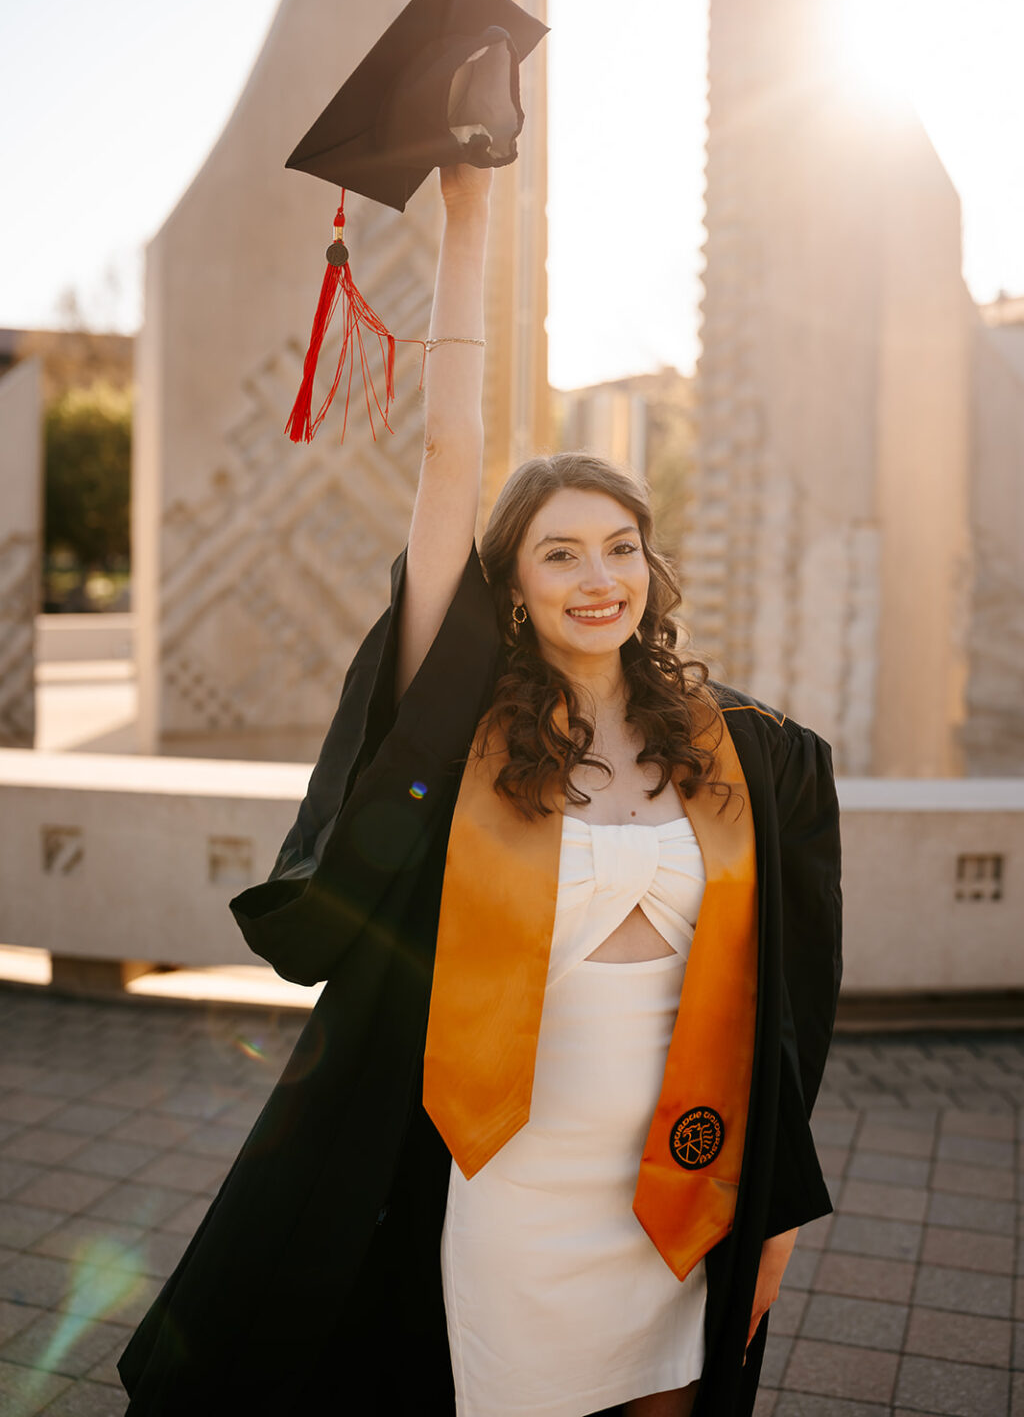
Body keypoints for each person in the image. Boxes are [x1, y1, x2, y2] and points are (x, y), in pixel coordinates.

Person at [119, 164, 842, 1417]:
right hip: (510, 1175)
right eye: (559, 552)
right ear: (511, 585)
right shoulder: (473, 751)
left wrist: (776, 1205)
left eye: (619, 546)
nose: (597, 576)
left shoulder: (746, 755)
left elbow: (789, 996)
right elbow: (449, 458)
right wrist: (471, 220)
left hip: (682, 1170)